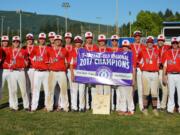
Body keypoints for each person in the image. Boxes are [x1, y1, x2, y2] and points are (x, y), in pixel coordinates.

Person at [47, 35, 69, 112]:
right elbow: (46, 59)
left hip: (61, 72)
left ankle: (65, 107)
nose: (58, 41)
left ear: (61, 41)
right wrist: (49, 66)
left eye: (59, 40)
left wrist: (64, 68)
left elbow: (67, 62)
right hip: (52, 72)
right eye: (56, 40)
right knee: (50, 90)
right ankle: (49, 107)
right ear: (54, 41)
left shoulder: (64, 50)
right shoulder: (49, 50)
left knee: (64, 90)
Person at [139, 36, 160, 116]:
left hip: (154, 73)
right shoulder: (143, 51)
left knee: (154, 92)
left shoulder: (156, 51)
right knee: (145, 92)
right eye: (148, 42)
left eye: (151, 42)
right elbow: (139, 61)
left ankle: (155, 109)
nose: (150, 44)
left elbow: (158, 61)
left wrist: (156, 68)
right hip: (146, 73)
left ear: (153, 43)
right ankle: (145, 109)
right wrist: (143, 68)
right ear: (146, 43)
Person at [8, 36, 29, 111]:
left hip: (21, 71)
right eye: (14, 41)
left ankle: (26, 106)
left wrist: (24, 64)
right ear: (12, 43)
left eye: (17, 41)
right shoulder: (9, 51)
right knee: (13, 90)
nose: (16, 43)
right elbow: (7, 60)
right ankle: (15, 106)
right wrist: (9, 65)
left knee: (23, 90)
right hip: (12, 72)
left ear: (19, 42)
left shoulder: (23, 51)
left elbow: (27, 60)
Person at [31, 33, 50, 112]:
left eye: (43, 39)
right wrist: (35, 64)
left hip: (46, 72)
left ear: (45, 40)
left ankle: (47, 106)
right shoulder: (35, 48)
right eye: (40, 39)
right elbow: (31, 58)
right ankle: (34, 107)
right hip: (37, 72)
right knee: (36, 89)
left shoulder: (48, 48)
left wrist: (48, 65)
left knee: (47, 89)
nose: (42, 40)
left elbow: (51, 58)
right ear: (38, 39)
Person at [118, 40, 135, 116]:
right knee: (122, 94)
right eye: (124, 46)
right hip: (121, 77)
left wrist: (133, 78)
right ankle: (123, 109)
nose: (125, 48)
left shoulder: (131, 55)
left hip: (128, 76)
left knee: (129, 94)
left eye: (126, 46)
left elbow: (133, 67)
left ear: (129, 47)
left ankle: (131, 110)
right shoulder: (119, 54)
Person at [163, 37, 180, 114]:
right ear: (171, 44)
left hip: (179, 75)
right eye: (173, 43)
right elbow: (165, 65)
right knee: (171, 92)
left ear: (178, 44)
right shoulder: (168, 52)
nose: (175, 44)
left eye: (176, 43)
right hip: (170, 74)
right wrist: (164, 75)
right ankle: (170, 109)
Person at [70, 36, 86, 112]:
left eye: (79, 42)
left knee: (82, 90)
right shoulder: (72, 51)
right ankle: (74, 107)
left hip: (82, 72)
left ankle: (82, 107)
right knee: (74, 90)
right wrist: (72, 74)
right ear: (74, 43)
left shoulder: (84, 51)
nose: (78, 43)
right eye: (76, 42)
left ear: (81, 43)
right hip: (75, 70)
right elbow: (70, 64)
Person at [130, 30, 145, 111]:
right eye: (136, 36)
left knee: (140, 87)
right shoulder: (130, 46)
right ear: (134, 37)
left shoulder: (143, 46)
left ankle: (141, 105)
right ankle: (131, 106)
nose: (137, 37)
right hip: (132, 68)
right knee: (132, 86)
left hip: (139, 68)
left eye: (139, 36)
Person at [83, 31, 98, 110]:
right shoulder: (82, 48)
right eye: (87, 38)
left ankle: (94, 104)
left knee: (93, 88)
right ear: (85, 39)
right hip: (85, 70)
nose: (89, 39)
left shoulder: (96, 47)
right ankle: (86, 105)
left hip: (93, 70)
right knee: (85, 88)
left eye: (90, 38)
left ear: (92, 39)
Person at [156, 34, 170, 110]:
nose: (160, 42)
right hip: (156, 70)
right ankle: (157, 105)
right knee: (156, 88)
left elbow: (176, 46)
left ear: (164, 41)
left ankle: (163, 105)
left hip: (164, 70)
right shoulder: (154, 47)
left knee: (165, 89)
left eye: (162, 40)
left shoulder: (167, 47)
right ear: (157, 41)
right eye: (159, 40)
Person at [109, 35, 122, 111]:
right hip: (110, 71)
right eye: (113, 40)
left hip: (118, 71)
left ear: (118, 41)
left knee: (118, 90)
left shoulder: (121, 50)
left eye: (116, 40)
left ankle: (118, 106)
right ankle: (111, 106)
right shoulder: (108, 50)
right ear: (111, 41)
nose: (114, 42)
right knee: (110, 90)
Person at [24, 33, 36, 107]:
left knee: (33, 86)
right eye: (28, 39)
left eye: (31, 39)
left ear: (33, 40)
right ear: (26, 40)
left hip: (33, 68)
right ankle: (27, 102)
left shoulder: (36, 48)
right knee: (26, 86)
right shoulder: (23, 48)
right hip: (25, 68)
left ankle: (33, 102)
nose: (29, 41)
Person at [0, 36, 11, 104]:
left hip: (10, 70)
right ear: (1, 42)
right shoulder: (0, 49)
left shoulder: (11, 49)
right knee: (0, 87)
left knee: (11, 88)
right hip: (1, 70)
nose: (5, 42)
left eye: (6, 41)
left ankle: (12, 103)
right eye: (3, 41)